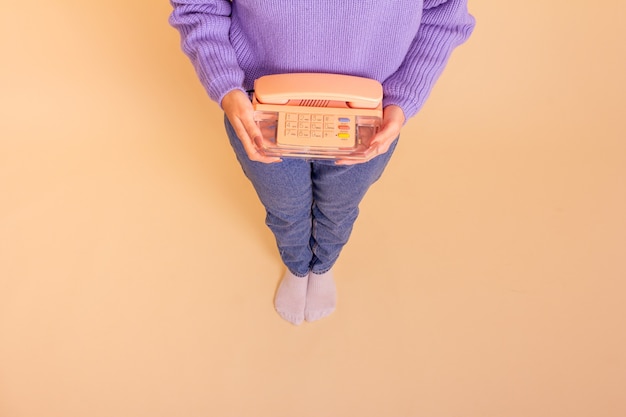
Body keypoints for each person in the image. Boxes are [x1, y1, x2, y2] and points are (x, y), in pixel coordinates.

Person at [169, 0, 475, 325]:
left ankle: (324, 264)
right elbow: (199, 6)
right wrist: (225, 84)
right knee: (284, 207)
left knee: (340, 208)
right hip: (259, 106)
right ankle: (297, 265)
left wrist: (405, 97)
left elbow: (445, 13)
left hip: (369, 114)